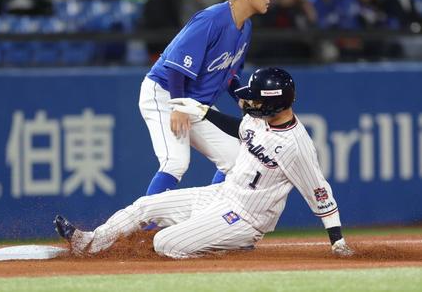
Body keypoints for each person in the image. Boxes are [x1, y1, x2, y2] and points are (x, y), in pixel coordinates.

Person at [54, 67, 353, 259]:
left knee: (165, 243)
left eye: (257, 100)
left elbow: (319, 192)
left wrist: (336, 241)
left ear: (275, 103)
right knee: (146, 205)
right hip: (222, 195)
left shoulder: (296, 147)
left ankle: (224, 251)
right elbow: (240, 128)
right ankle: (89, 242)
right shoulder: (261, 119)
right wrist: (203, 111)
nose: (250, 103)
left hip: (245, 218)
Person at [139, 0, 284, 196]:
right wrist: (177, 105)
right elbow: (175, 65)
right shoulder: (211, 19)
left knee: (237, 161)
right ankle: (141, 227)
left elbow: (230, 72)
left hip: (197, 103)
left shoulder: (245, 27)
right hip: (166, 93)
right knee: (175, 162)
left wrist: (242, 97)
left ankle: (208, 217)